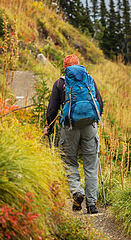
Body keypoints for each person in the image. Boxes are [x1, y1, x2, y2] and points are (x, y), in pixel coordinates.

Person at [43, 55, 104, 214]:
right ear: (79, 65)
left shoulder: (60, 83)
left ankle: (77, 192)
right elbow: (100, 104)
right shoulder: (89, 79)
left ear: (65, 68)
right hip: (90, 126)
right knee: (91, 166)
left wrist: (48, 128)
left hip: (69, 128)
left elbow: (52, 110)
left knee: (70, 162)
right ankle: (92, 205)